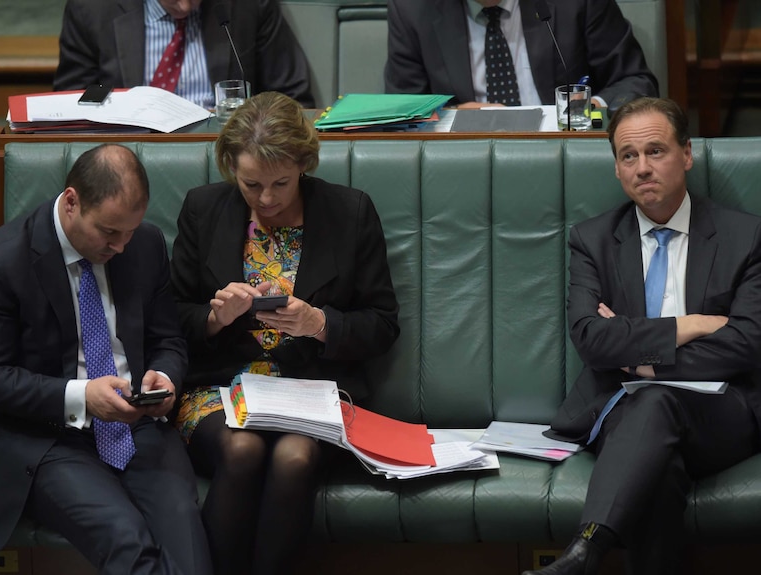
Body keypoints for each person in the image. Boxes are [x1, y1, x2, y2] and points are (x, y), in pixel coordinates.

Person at [524, 97, 761, 575]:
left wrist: (642, 358)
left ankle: (586, 550)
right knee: (658, 462)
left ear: (687, 154)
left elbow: (748, 341)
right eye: (628, 156)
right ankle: (586, 552)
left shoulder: (745, 236)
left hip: (722, 410)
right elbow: (591, 338)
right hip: (624, 413)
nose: (642, 167)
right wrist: (688, 326)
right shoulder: (593, 240)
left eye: (656, 151)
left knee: (654, 401)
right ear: (615, 168)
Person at [170, 91, 400, 574]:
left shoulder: (351, 212)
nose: (268, 198)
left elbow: (382, 324)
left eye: (281, 182)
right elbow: (170, 317)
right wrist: (216, 317)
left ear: (304, 164)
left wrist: (319, 324)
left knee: (295, 456)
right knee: (242, 447)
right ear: (230, 165)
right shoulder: (202, 209)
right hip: (221, 387)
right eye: (251, 184)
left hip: (317, 389)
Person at [0, 144, 213, 575]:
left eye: (129, 232)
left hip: (137, 422)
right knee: (126, 538)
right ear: (72, 202)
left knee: (186, 545)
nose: (120, 246)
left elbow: (168, 338)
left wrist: (165, 377)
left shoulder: (143, 245)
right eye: (109, 233)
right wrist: (81, 396)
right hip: (44, 437)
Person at [384, 0, 658, 114]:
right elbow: (404, 111)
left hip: (565, 153)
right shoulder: (413, 9)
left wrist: (590, 108)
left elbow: (635, 82)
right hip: (464, 165)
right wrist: (453, 118)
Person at [54, 0, 315, 108]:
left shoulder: (249, 6)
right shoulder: (92, 8)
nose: (186, 5)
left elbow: (292, 98)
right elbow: (71, 103)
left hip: (229, 157)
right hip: (125, 156)